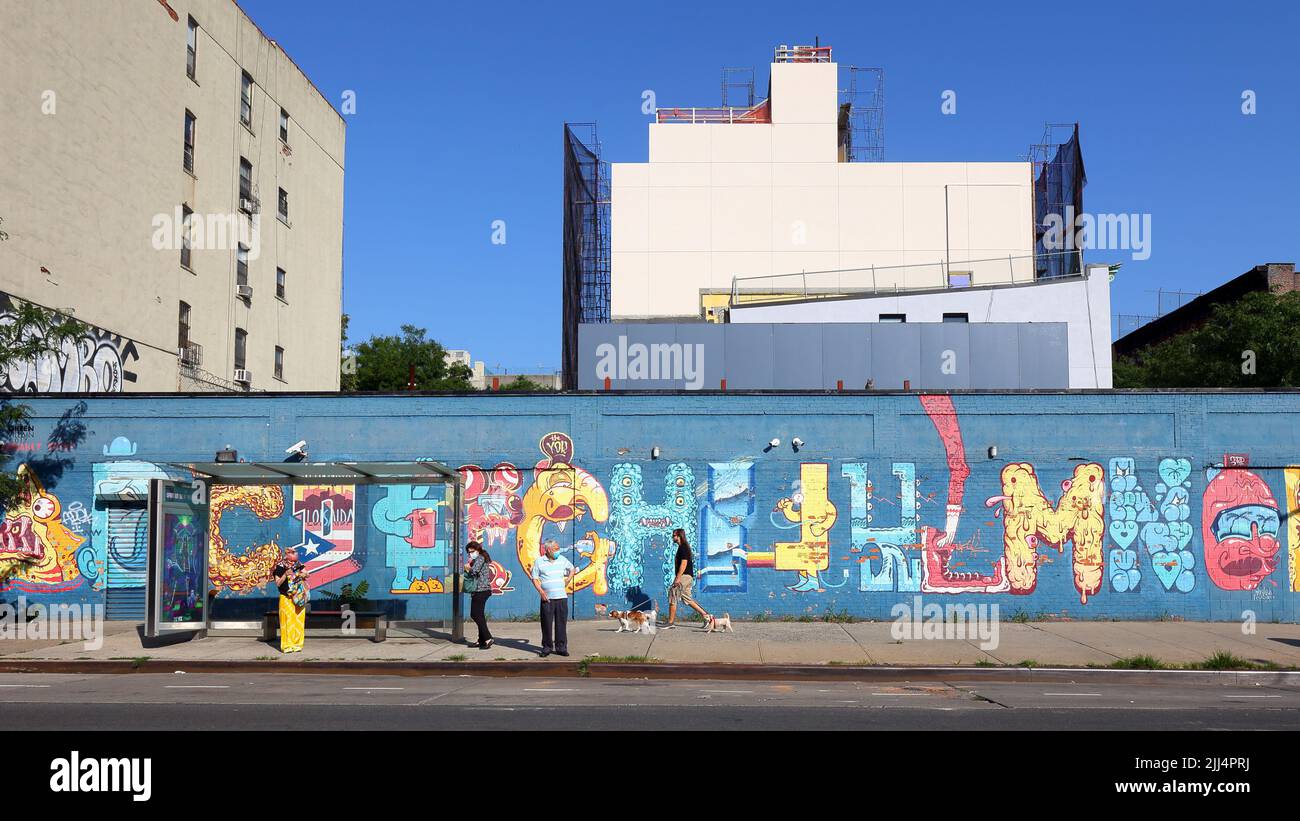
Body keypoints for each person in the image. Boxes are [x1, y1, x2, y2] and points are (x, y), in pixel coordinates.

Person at [530, 539, 574, 657]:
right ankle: (547, 647)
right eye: (555, 549)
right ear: (548, 550)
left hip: (561, 597)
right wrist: (541, 592)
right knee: (546, 624)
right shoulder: (539, 562)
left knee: (561, 624)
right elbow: (534, 578)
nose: (558, 551)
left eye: (558, 548)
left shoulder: (562, 560)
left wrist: (568, 579)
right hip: (547, 599)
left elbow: (572, 568)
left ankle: (561, 648)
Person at [663, 528, 711, 628]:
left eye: (674, 535)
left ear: (679, 536)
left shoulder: (683, 547)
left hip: (684, 576)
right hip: (688, 577)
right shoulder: (682, 547)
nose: (673, 537)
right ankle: (706, 616)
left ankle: (671, 622)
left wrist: (677, 578)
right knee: (688, 599)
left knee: (673, 595)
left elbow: (684, 563)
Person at [271, 548, 308, 653]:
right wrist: (285, 575)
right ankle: (287, 646)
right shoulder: (279, 567)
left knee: (298, 621)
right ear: (286, 557)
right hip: (286, 597)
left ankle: (297, 644)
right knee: (287, 621)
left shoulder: (298, 565)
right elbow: (278, 583)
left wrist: (302, 574)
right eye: (291, 560)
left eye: (294, 560)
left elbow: (307, 574)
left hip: (299, 597)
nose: (293, 563)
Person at [463, 540, 494, 649]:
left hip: (481, 590)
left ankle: (488, 638)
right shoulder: (480, 558)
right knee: (479, 615)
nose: (470, 554)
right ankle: (481, 640)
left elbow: (474, 571)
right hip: (481, 590)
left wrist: (468, 568)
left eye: (472, 551)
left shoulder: (480, 558)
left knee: (475, 614)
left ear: (477, 549)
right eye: (469, 552)